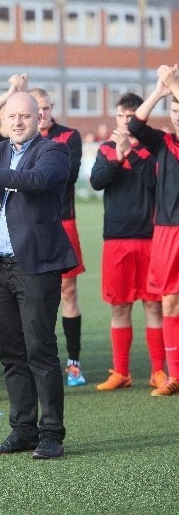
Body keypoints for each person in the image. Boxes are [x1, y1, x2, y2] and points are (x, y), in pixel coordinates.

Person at [0, 92, 78, 459]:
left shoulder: (54, 151)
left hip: (37, 265)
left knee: (40, 350)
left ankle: (51, 434)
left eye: (25, 115)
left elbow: (38, 180)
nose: (17, 122)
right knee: (11, 353)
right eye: (11, 116)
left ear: (39, 118)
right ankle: (23, 429)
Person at [90, 93, 165, 391]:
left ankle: (158, 371)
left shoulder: (152, 149)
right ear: (117, 118)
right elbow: (97, 182)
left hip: (150, 238)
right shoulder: (107, 149)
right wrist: (118, 156)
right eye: (122, 117)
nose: (126, 122)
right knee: (119, 307)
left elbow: (153, 182)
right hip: (116, 239)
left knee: (153, 306)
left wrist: (130, 153)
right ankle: (121, 372)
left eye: (131, 118)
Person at [29, 88, 86, 387]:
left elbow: (69, 175)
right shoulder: (19, 137)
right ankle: (36, 361)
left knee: (68, 292)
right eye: (36, 108)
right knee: (33, 293)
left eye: (46, 107)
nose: (42, 113)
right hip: (30, 223)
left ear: (52, 108)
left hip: (63, 221)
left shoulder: (68, 136)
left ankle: (74, 363)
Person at [128, 65, 179, 396]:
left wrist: (174, 85)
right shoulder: (164, 142)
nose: (177, 115)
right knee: (169, 302)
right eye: (173, 111)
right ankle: (175, 375)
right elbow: (135, 124)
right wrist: (161, 91)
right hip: (167, 232)